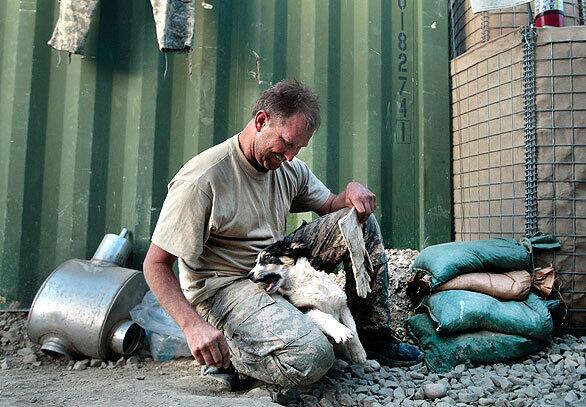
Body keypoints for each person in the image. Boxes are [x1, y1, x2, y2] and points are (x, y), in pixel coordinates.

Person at [143, 79, 423, 388]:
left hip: (276, 265)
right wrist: (192, 326)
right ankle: (228, 352)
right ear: (261, 121)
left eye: (298, 149)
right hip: (225, 288)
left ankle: (373, 334)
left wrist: (351, 193)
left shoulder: (287, 167)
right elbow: (155, 265)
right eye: (286, 143)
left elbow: (332, 205)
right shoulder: (203, 179)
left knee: (359, 221)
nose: (290, 156)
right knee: (313, 356)